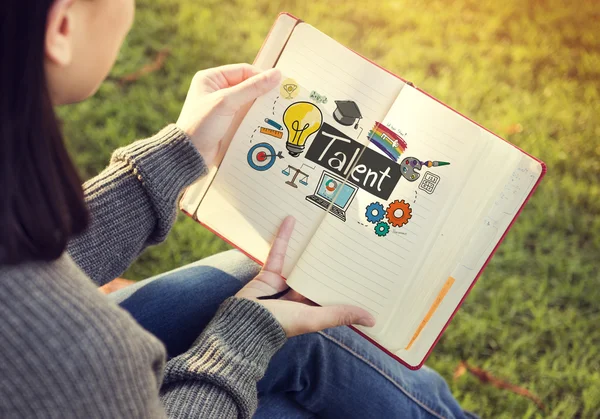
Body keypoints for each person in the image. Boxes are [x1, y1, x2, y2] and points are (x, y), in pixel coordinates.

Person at [0, 0, 476, 418]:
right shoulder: (78, 349)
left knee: (259, 287)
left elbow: (25, 256)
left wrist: (175, 156)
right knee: (295, 346)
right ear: (62, 27)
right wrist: (241, 339)